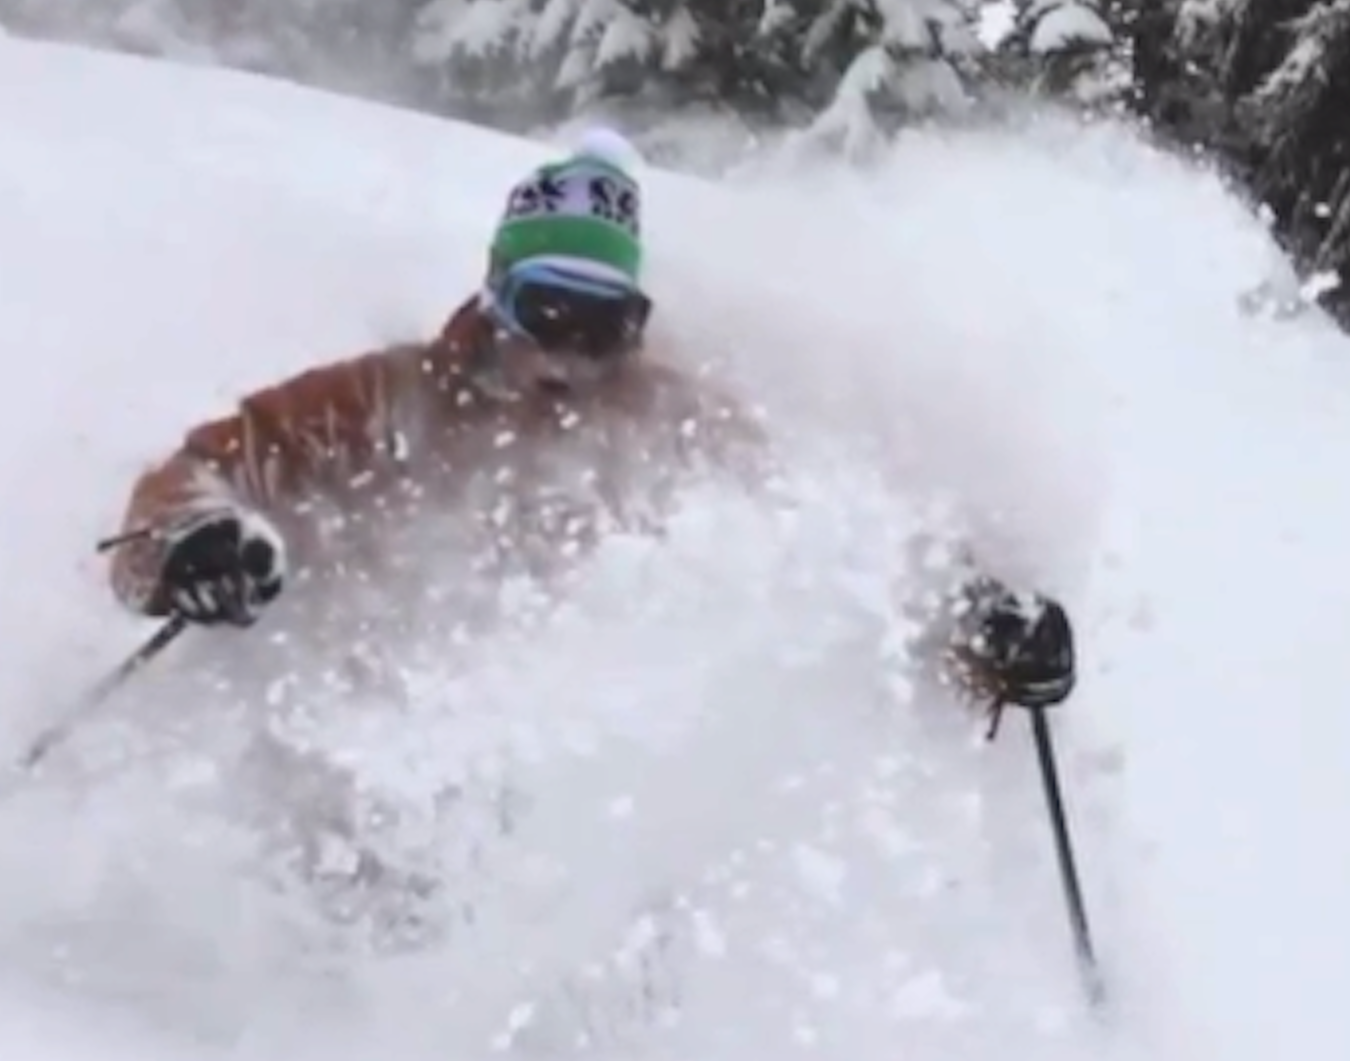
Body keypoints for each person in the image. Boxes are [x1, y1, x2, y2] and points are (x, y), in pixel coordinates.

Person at [104, 128, 1076, 718]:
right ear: (494, 297)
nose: (570, 358)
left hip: (569, 821)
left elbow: (839, 549)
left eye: (606, 326)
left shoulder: (671, 424)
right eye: (548, 316)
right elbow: (195, 476)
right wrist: (193, 544)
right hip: (354, 760)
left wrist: (975, 625)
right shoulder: (379, 402)